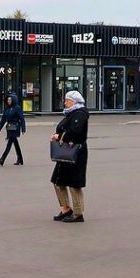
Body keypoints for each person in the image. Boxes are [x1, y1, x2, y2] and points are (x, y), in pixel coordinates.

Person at [50, 90, 89, 224]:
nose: (65, 103)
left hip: (76, 151)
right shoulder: (71, 113)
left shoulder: (80, 113)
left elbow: (75, 131)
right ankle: (66, 209)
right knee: (58, 181)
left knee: (74, 183)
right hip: (66, 151)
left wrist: (60, 136)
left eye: (67, 100)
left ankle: (78, 214)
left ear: (74, 101)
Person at [0, 92, 25, 166]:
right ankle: (20, 159)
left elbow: (22, 119)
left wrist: (23, 129)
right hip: (9, 127)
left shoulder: (17, 108)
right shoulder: (7, 108)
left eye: (10, 100)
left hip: (15, 126)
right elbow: (3, 119)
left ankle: (2, 158)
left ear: (13, 100)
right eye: (8, 100)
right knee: (15, 143)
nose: (9, 101)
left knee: (9, 143)